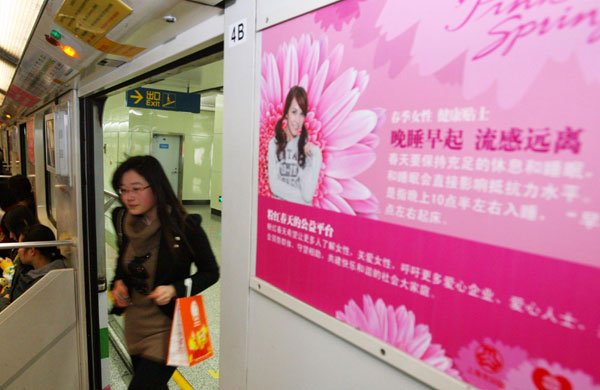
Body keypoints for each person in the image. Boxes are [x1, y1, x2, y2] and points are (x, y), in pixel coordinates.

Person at [110, 155, 219, 390]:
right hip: (136, 323)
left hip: (169, 328)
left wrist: (175, 289)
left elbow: (211, 272)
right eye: (123, 190)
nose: (129, 197)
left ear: (156, 187)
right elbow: (123, 262)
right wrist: (118, 283)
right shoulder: (122, 219)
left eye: (136, 189)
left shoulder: (184, 226)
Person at [268, 85, 322, 205]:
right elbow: (274, 186)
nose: (297, 120)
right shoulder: (274, 144)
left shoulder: (307, 149)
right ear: (286, 113)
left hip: (299, 218)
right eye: (294, 112)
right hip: (278, 215)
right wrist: (302, 199)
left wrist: (317, 155)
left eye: (302, 114)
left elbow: (308, 195)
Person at [0, 224, 66, 308]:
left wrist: (4, 300)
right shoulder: (24, 269)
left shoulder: (47, 282)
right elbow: (10, 289)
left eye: (20, 247)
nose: (18, 251)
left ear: (32, 251)